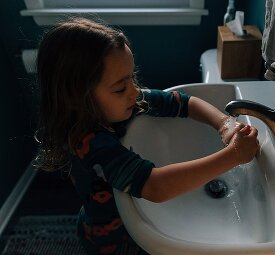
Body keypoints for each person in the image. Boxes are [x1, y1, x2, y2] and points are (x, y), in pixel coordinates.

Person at [33, 17, 261, 254]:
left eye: (132, 77)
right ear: (77, 98)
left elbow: (184, 103)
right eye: (120, 87)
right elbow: (155, 187)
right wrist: (233, 155)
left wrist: (224, 124)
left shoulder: (127, 101)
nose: (134, 91)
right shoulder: (90, 143)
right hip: (114, 242)